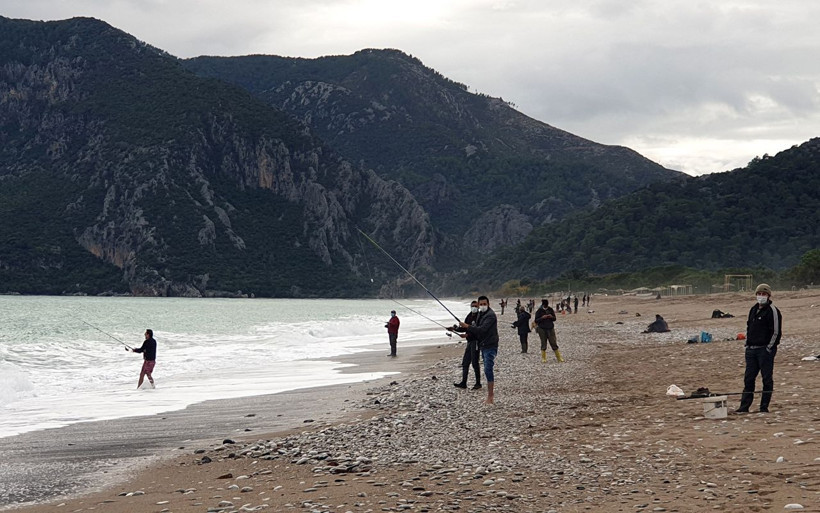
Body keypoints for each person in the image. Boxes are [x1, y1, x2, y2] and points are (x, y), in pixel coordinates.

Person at [735, 284, 782, 414]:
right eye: (759, 294)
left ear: (768, 296)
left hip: (764, 350)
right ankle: (744, 407)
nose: (761, 296)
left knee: (766, 378)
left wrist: (769, 348)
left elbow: (776, 332)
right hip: (751, 349)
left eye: (764, 294)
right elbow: (749, 327)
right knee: (749, 378)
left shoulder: (773, 310)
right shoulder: (753, 309)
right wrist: (747, 343)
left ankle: (763, 407)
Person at [460, 295, 498, 404]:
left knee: (487, 368)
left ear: (488, 304)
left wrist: (467, 327)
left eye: (484, 304)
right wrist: (466, 333)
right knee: (484, 367)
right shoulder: (480, 314)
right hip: (483, 345)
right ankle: (489, 394)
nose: (482, 306)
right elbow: (475, 328)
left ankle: (490, 396)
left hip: (490, 345)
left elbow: (482, 330)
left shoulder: (490, 316)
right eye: (480, 304)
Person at [450, 300, 481, 390]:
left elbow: (478, 330)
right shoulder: (469, 316)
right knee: (465, 362)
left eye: (475, 306)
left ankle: (478, 383)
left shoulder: (479, 317)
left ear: (478, 307)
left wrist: (467, 335)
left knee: (475, 362)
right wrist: (454, 329)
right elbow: (464, 328)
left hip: (476, 341)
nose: (474, 308)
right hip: (469, 342)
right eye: (472, 306)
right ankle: (464, 382)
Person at [534, 298, 564, 363]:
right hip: (542, 329)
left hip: (550, 328)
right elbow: (536, 320)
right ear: (543, 304)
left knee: (553, 342)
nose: (546, 306)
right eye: (545, 305)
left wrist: (551, 317)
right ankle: (543, 358)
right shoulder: (539, 311)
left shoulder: (550, 309)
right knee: (543, 343)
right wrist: (542, 317)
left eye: (546, 305)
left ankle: (559, 357)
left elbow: (554, 319)